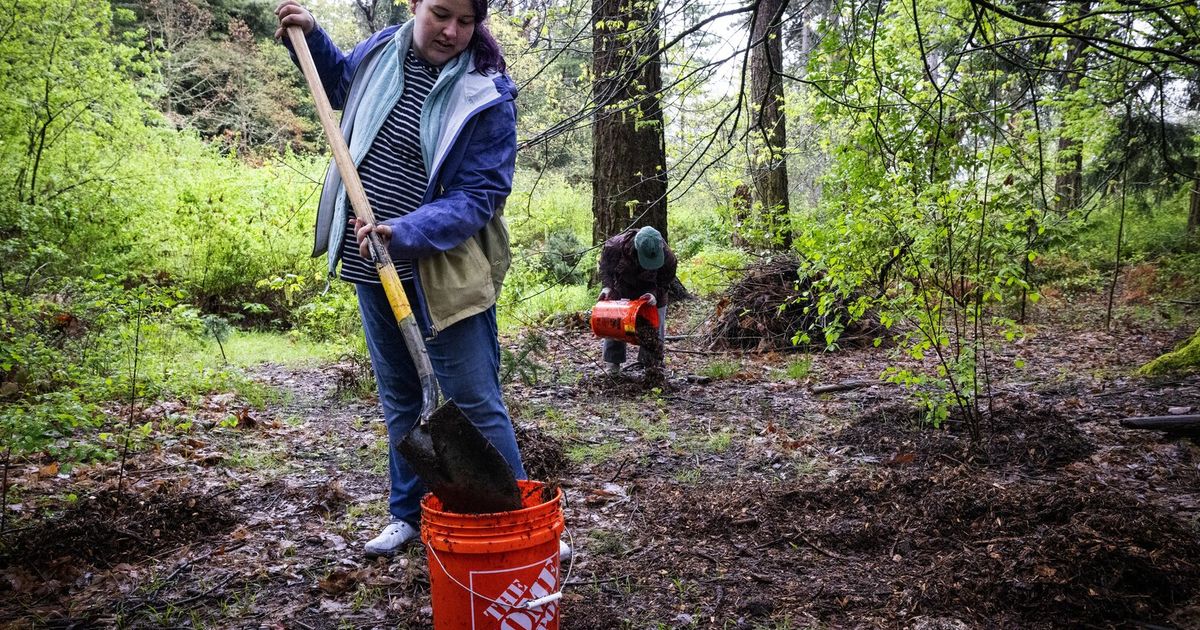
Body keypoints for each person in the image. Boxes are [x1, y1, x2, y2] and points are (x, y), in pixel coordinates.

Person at [275, 0, 526, 559]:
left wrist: (406, 231)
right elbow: (341, 85)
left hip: (444, 275)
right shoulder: (381, 51)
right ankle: (407, 515)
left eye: (466, 21)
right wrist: (312, 37)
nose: (452, 31)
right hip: (373, 267)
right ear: (415, 5)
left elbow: (481, 195)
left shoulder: (486, 93)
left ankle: (519, 521)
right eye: (440, 14)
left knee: (473, 401)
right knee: (402, 400)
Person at [597, 226, 677, 376]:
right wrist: (607, 287)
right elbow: (606, 268)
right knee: (614, 323)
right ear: (636, 247)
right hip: (622, 288)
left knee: (654, 327)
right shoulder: (614, 247)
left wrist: (654, 295)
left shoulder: (668, 258)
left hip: (652, 292)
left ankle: (652, 368)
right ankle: (613, 367)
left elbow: (665, 281)